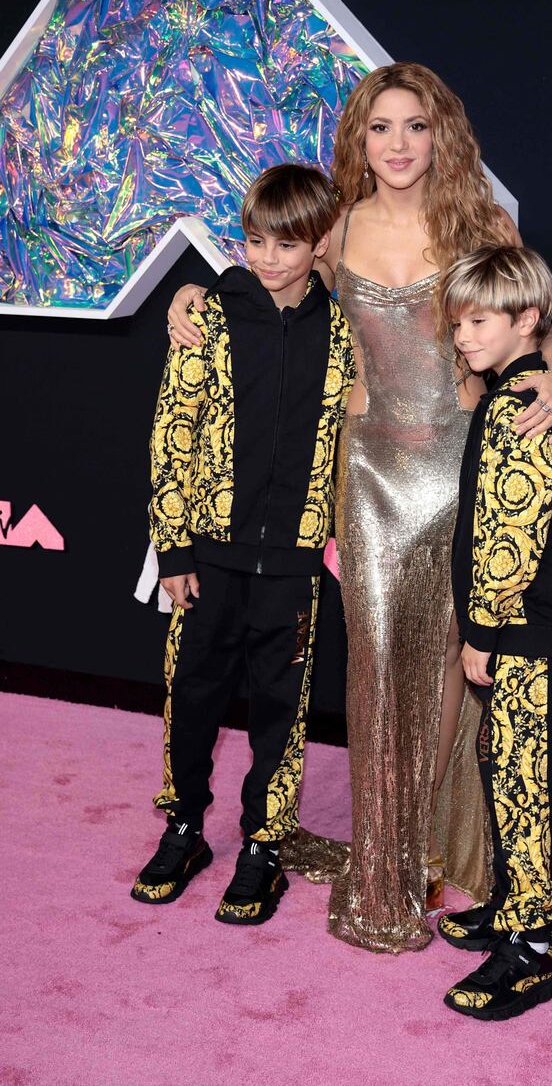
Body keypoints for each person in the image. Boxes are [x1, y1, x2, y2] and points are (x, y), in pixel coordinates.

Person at [165, 63, 552, 952]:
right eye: (382, 126)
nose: (399, 144)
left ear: (442, 135)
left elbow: (535, 327)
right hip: (370, 480)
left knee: (450, 674)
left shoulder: (480, 224)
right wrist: (186, 295)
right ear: (361, 136)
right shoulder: (334, 228)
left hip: (460, 476)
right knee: (379, 665)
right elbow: (259, 281)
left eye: (416, 126)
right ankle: (385, 854)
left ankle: (429, 844)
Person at [131, 165, 355, 926]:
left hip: (293, 564)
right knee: (191, 693)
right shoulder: (210, 316)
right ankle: (186, 824)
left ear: (320, 242)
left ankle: (265, 840)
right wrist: (173, 548)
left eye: (286, 244)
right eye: (255, 240)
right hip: (209, 551)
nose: (266, 257)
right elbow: (172, 431)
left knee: (280, 708)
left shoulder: (346, 331)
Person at [434, 244, 552, 1019]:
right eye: (457, 321)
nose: (463, 335)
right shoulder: (526, 390)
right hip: (528, 626)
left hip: (521, 627)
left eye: (479, 321)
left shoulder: (518, 405)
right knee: (508, 765)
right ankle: (519, 905)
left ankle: (531, 949)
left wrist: (482, 631)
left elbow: (508, 537)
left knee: (524, 780)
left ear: (527, 320)